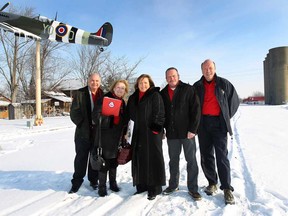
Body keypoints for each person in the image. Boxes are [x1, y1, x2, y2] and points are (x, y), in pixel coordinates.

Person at [193, 59, 240, 205]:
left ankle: (226, 188)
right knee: (206, 155)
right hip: (203, 125)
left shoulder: (224, 84)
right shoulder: (197, 86)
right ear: (202, 70)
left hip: (219, 124)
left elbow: (234, 101)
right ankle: (212, 182)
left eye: (210, 68)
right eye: (205, 68)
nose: (208, 70)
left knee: (222, 156)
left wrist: (225, 116)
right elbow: (192, 105)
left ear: (215, 68)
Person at [160, 67, 202, 201]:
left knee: (191, 161)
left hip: (187, 133)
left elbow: (196, 110)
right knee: (173, 160)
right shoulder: (163, 93)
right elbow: (161, 114)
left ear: (178, 76)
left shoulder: (188, 89)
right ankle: (173, 185)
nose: (171, 78)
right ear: (166, 78)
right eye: (168, 76)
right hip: (172, 134)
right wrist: (162, 130)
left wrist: (193, 129)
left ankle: (193, 188)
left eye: (173, 76)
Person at [126, 74, 166, 200]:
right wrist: (127, 131)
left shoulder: (155, 95)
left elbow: (160, 113)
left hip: (151, 134)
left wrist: (156, 128)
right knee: (139, 158)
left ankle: (154, 187)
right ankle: (141, 185)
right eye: (140, 83)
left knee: (153, 159)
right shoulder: (133, 98)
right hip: (137, 134)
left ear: (150, 84)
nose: (143, 85)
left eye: (145, 83)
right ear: (137, 84)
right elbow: (128, 115)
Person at [92, 80, 129, 197]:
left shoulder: (123, 102)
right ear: (113, 88)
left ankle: (113, 183)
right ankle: (102, 187)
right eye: (118, 87)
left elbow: (124, 119)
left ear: (125, 91)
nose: (120, 90)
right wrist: (110, 117)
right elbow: (95, 117)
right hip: (104, 136)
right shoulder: (105, 99)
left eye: (122, 88)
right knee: (104, 162)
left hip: (117, 137)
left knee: (114, 162)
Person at [69, 73, 104, 193]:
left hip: (97, 134)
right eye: (92, 80)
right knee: (81, 158)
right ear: (88, 81)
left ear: (100, 82)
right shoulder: (80, 93)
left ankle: (94, 180)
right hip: (83, 133)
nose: (95, 83)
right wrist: (82, 124)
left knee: (94, 158)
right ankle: (77, 182)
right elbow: (74, 113)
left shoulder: (103, 94)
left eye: (97, 81)